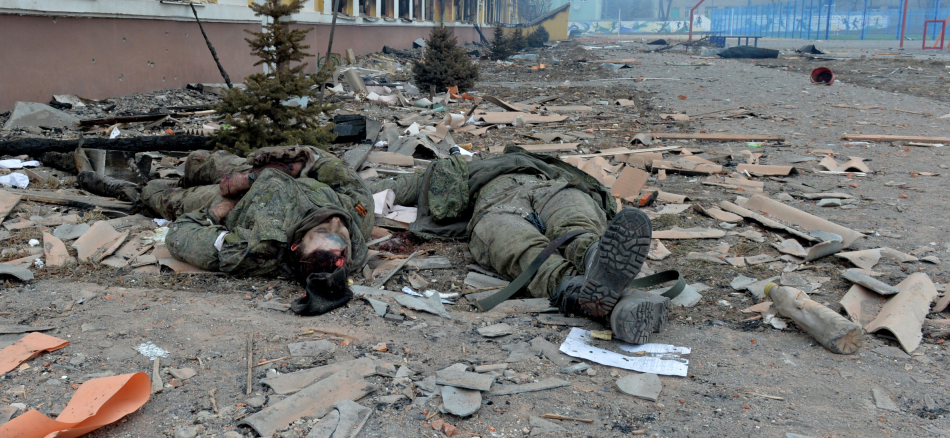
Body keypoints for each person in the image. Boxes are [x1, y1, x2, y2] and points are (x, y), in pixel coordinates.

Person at [370, 146, 671, 344]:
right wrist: (354, 197)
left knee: (577, 224)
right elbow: (402, 187)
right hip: (494, 203)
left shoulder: (525, 158)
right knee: (519, 246)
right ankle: (591, 294)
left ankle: (596, 261)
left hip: (549, 186)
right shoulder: (453, 170)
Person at [140, 146, 374, 315]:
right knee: (197, 160)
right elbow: (336, 168)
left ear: (295, 244)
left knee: (153, 191)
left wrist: (218, 212)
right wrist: (292, 168)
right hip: (258, 173)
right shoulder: (356, 219)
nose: (335, 220)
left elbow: (180, 235)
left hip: (232, 200)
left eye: (324, 230)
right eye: (339, 231)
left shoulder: (258, 251)